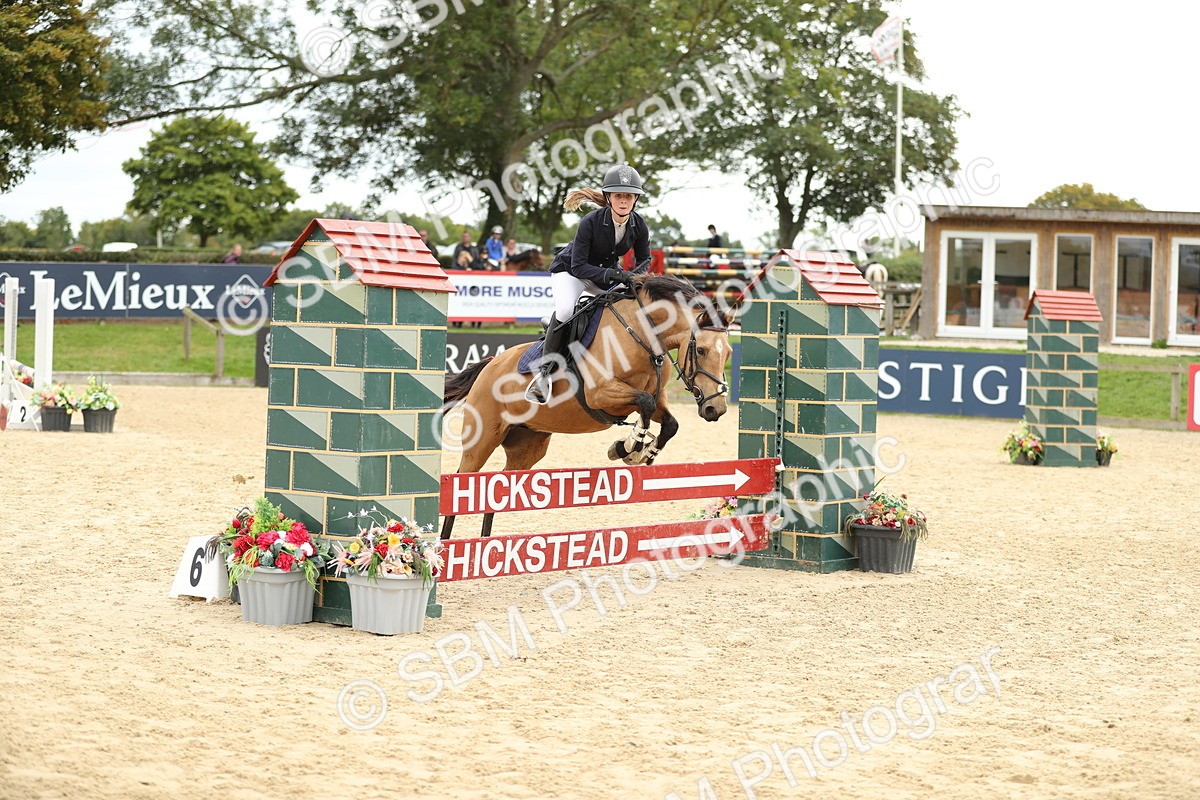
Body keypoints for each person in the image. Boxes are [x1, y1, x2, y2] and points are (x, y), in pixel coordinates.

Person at [524, 164, 651, 405]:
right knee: (564, 311)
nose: (623, 201)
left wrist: (634, 276)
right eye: (618, 195)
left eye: (628, 196)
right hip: (570, 272)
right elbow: (579, 266)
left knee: (627, 305)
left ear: (635, 199)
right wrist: (615, 275)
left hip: (603, 276)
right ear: (608, 198)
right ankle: (544, 375)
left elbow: (645, 258)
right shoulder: (590, 222)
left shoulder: (638, 225)